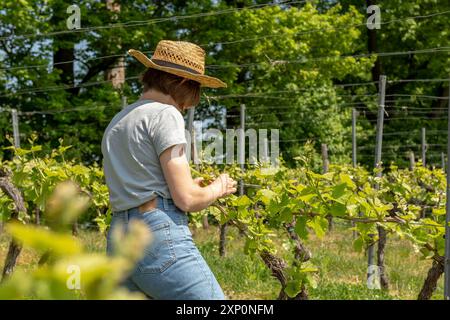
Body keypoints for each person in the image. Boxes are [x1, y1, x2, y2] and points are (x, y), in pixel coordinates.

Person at [101, 40, 237, 300]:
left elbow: (142, 180)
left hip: (119, 237)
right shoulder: (166, 114)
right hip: (156, 235)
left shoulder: (119, 120)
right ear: (184, 83)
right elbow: (187, 199)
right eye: (196, 90)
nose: (190, 104)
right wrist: (219, 187)